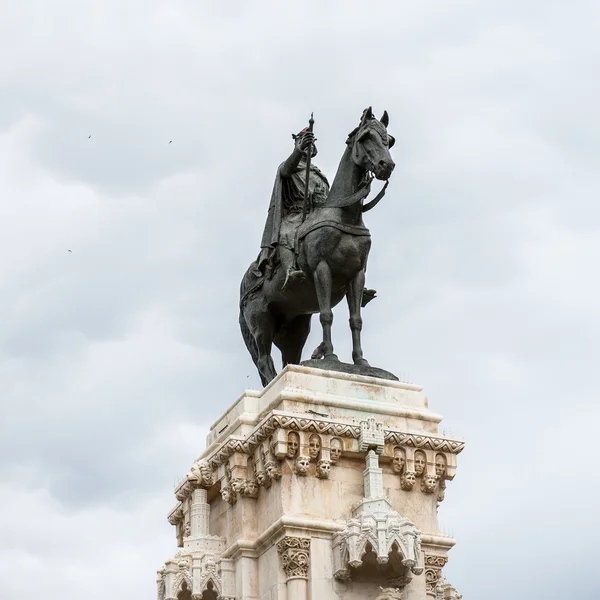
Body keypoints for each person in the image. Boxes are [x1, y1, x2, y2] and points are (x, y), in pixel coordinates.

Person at [256, 127, 329, 284]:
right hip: (295, 214)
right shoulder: (289, 165)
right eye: (304, 142)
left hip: (318, 214)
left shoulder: (318, 173)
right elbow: (286, 170)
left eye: (311, 143)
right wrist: (299, 149)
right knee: (287, 232)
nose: (310, 146)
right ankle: (290, 270)